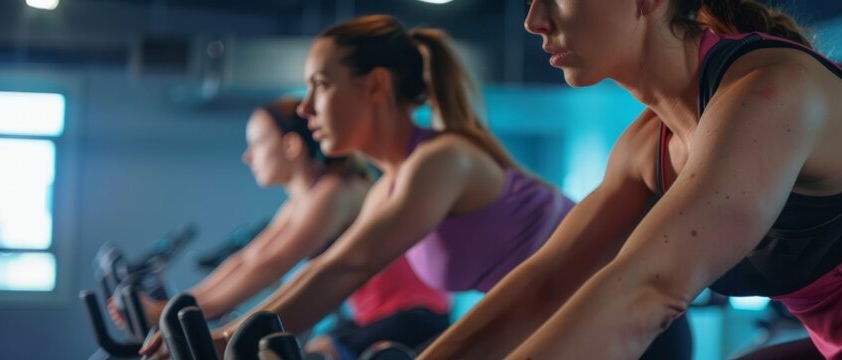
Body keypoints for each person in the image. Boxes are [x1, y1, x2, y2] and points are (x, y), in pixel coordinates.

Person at [421, 0, 842, 359]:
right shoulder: (652, 145)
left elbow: (648, 291)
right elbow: (547, 284)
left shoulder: (772, 91)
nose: (533, 20)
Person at [141, 14, 690, 359]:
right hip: (542, 328)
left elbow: (348, 266)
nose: (306, 108)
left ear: (375, 86)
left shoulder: (442, 161)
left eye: (322, 86)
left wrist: (229, 336)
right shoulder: (390, 185)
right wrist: (234, 330)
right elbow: (322, 271)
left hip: (632, 332)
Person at [120, 98, 450, 360]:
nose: (248, 156)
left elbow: (272, 265)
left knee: (318, 351)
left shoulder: (334, 192)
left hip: (415, 317)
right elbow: (247, 260)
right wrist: (182, 309)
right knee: (311, 346)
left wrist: (175, 314)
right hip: (373, 317)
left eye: (258, 143)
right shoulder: (301, 202)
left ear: (292, 146)